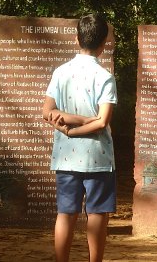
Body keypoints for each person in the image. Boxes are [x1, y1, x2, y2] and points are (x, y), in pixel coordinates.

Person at [42, 13, 117, 262]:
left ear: (77, 39)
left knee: (65, 214)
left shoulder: (60, 72)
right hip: (99, 156)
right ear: (104, 43)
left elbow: (47, 111)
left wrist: (69, 128)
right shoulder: (105, 77)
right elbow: (102, 121)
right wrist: (86, 121)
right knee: (97, 214)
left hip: (66, 157)